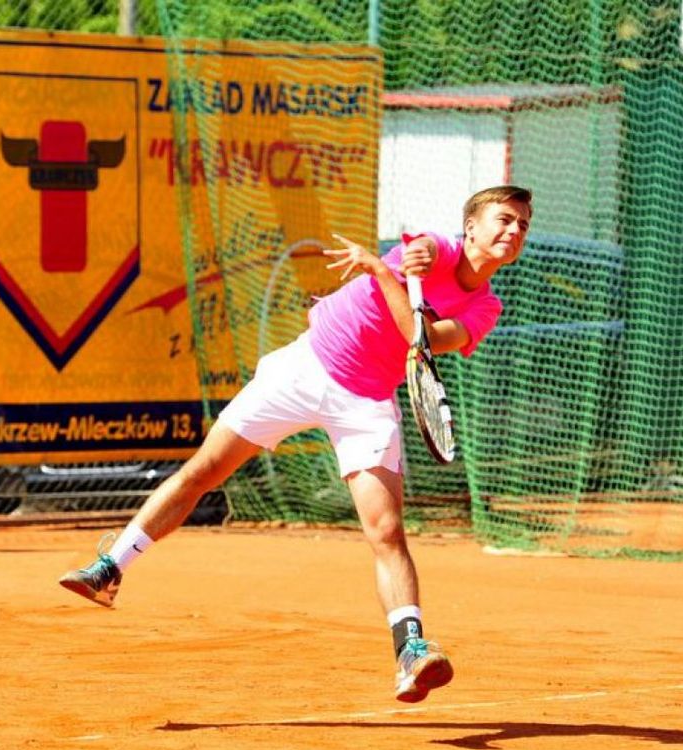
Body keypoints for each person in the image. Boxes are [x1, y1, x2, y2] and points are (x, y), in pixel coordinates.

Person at [58, 185, 534, 704]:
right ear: (471, 227)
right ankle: (109, 568)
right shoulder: (437, 248)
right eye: (504, 219)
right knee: (204, 470)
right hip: (304, 370)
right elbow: (424, 248)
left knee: (386, 530)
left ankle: (411, 652)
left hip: (366, 402)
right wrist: (408, 258)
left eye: (522, 225)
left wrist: (380, 272)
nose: (514, 231)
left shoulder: (486, 306)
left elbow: (421, 342)